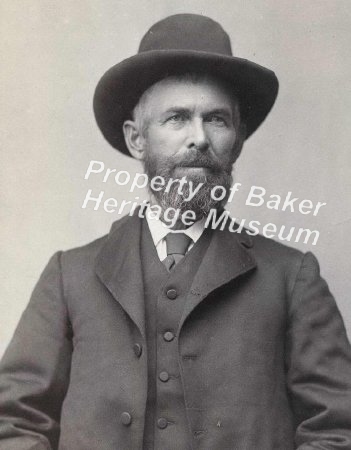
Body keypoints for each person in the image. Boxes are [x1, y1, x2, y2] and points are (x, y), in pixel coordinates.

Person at [0, 13, 351, 450]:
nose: (199, 138)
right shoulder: (69, 276)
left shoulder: (291, 277)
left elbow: (338, 429)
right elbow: (12, 421)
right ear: (136, 140)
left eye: (217, 120)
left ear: (238, 139)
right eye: (177, 118)